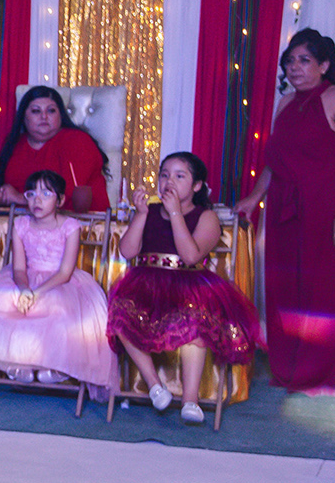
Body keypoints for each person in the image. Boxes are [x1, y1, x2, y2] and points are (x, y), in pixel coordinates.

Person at [235, 29, 335, 394]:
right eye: (290, 61)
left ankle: (321, 370)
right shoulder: (285, 103)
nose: (294, 67)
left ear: (324, 65)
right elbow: (275, 161)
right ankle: (290, 367)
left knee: (324, 288)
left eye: (304, 60)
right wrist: (254, 197)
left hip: (328, 206)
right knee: (286, 286)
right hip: (285, 206)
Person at [108, 151, 261, 424]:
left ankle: (190, 400)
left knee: (194, 319)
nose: (169, 181)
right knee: (120, 314)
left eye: (180, 176)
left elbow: (190, 256)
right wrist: (141, 215)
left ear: (197, 185)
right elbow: (127, 251)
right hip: (146, 282)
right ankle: (155, 386)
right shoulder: (150, 212)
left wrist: (176, 212)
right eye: (165, 175)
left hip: (188, 283)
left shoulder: (206, 217)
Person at [0, 169, 114, 396]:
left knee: (56, 308)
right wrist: (25, 289)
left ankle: (53, 367)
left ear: (60, 200)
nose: (37, 199)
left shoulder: (70, 226)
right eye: (31, 194)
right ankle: (18, 364)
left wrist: (37, 293)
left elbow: (65, 272)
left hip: (59, 281)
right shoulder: (21, 224)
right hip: (25, 277)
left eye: (46, 194)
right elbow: (18, 268)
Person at [0, 86, 108, 213]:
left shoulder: (78, 141)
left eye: (51, 111)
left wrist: (19, 198)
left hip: (79, 221)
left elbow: (66, 196)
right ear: (23, 116)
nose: (44, 116)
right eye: (36, 111)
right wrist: (1, 195)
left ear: (61, 115)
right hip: (24, 220)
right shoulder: (16, 143)